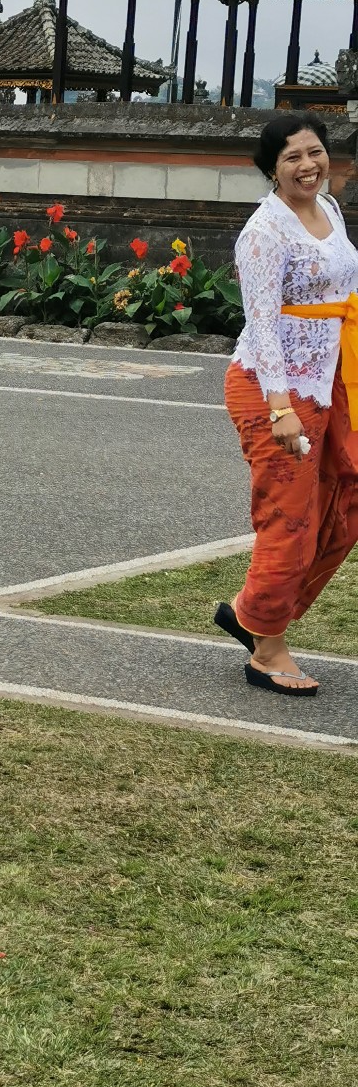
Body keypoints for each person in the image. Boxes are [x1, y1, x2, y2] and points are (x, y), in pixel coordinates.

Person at [215, 112, 358, 697]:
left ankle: (254, 611)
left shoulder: (331, 211)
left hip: (330, 380)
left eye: (316, 152)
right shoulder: (263, 233)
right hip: (274, 389)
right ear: (272, 169)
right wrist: (280, 409)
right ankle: (266, 649)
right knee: (290, 517)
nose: (309, 165)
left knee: (347, 494)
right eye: (293, 157)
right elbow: (264, 326)